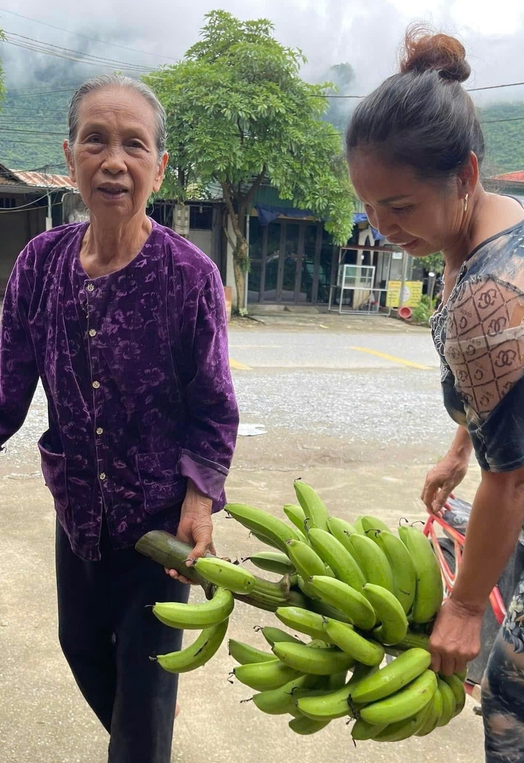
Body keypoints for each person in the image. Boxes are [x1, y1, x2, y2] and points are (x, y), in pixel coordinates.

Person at [0, 74, 239, 763]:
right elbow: (4, 381)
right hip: (78, 515)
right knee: (81, 648)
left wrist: (200, 498)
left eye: (133, 144)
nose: (113, 160)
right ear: (70, 157)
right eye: (96, 141)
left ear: (159, 167)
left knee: (145, 701)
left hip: (157, 529)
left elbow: (212, 405)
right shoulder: (40, 264)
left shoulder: (190, 275)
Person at [346, 26, 524, 761]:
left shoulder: (490, 293)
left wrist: (459, 606)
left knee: (509, 693)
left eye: (401, 207)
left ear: (467, 173)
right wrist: (458, 449)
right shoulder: (477, 231)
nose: (386, 231)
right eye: (371, 209)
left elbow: (510, 476)